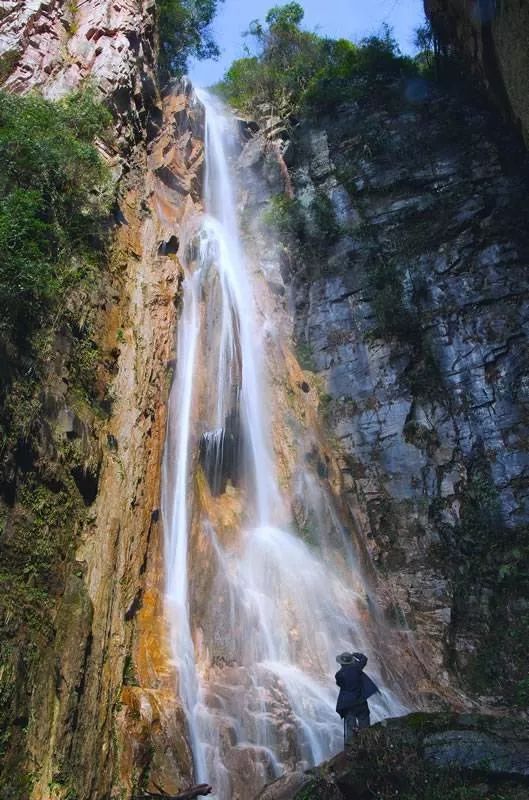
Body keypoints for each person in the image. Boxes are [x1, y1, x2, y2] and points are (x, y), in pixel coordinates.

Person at [335, 651, 379, 745]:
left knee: (350, 727)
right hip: (360, 701)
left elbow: (339, 684)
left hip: (348, 704)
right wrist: (355, 654)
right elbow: (364, 658)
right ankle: (367, 743)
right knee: (364, 723)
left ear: (341, 663)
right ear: (351, 661)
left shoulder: (338, 675)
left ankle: (351, 749)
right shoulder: (357, 668)